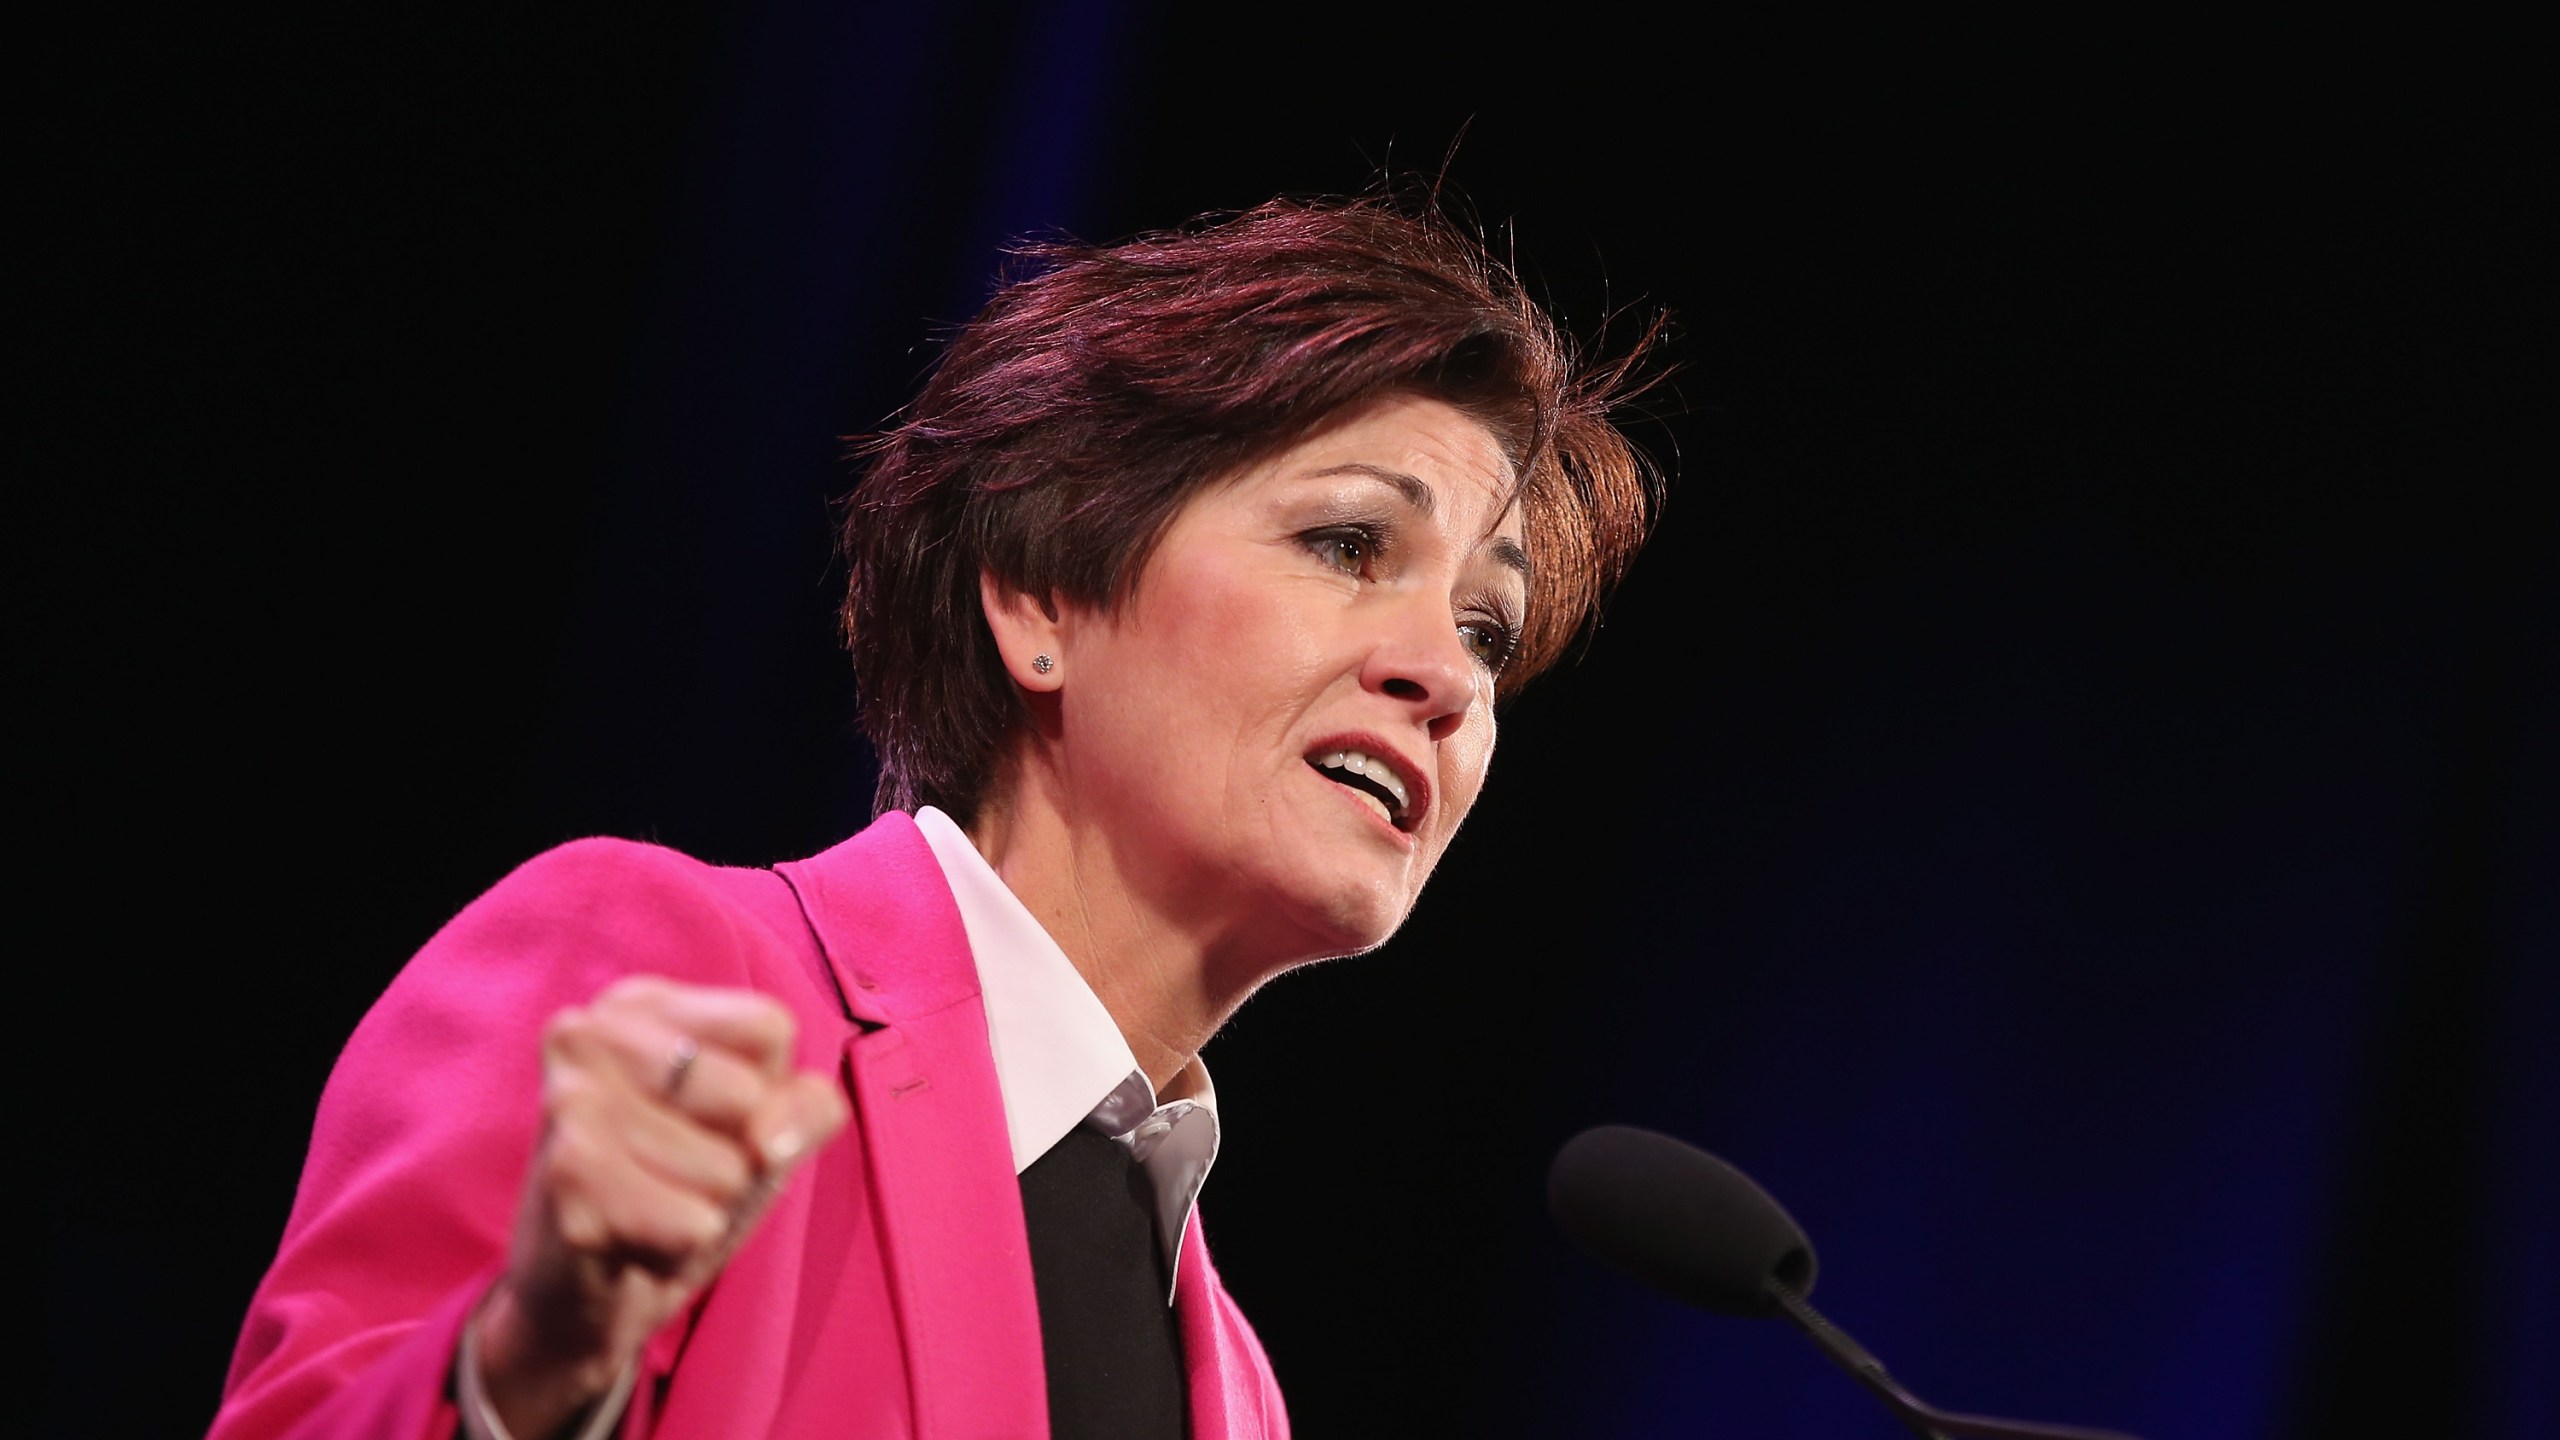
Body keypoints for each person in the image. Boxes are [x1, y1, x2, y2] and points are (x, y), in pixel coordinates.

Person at [210, 191, 1661, 1440]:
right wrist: (531, 1360)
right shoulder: (675, 975)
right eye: (1348, 543)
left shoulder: (1239, 1383)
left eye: (1487, 626)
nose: (1443, 677)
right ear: (1041, 599)